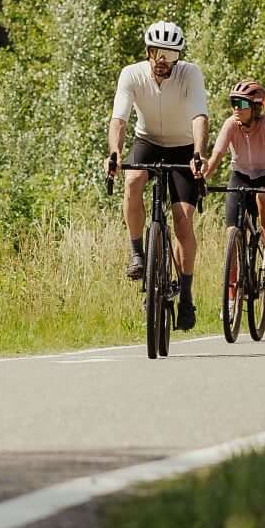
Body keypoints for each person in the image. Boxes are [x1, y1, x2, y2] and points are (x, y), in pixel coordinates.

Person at [107, 19, 209, 328]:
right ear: (149, 51)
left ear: (178, 55)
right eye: (158, 53)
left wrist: (199, 153)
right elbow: (119, 119)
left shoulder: (189, 73)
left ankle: (187, 296)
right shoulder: (132, 74)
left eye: (171, 54)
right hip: (147, 141)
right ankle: (137, 252)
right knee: (133, 179)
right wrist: (114, 153)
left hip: (183, 147)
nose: (164, 60)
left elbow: (199, 116)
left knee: (182, 220)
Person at [206, 78, 265, 273]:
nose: (236, 108)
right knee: (232, 233)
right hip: (240, 175)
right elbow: (217, 154)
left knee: (263, 196)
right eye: (233, 103)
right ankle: (232, 298)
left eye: (241, 104)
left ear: (255, 108)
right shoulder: (230, 124)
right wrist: (202, 179)